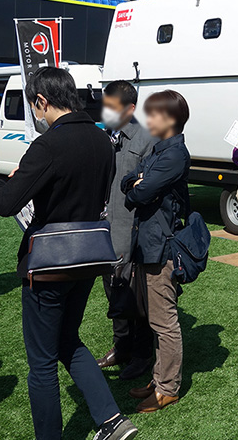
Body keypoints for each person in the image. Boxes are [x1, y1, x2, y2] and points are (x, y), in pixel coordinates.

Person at [0, 67, 137, 440]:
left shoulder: (48, 145)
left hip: (50, 264)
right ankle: (112, 420)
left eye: (33, 105)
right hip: (88, 257)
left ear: (41, 102)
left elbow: (6, 203)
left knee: (41, 362)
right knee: (68, 339)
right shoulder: (103, 141)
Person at [121, 90, 191, 413]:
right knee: (155, 320)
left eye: (155, 114)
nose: (148, 120)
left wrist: (139, 185)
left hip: (160, 247)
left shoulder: (175, 154)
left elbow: (141, 190)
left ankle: (168, 387)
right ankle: (159, 378)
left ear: (171, 120)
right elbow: (128, 181)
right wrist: (137, 184)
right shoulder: (159, 150)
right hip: (147, 244)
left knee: (164, 321)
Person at [96, 80, 156, 380]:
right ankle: (122, 346)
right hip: (103, 230)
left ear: (130, 109)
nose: (105, 112)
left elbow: (148, 193)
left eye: (111, 107)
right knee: (112, 291)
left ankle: (143, 353)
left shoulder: (146, 140)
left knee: (136, 295)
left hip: (130, 231)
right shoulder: (104, 135)